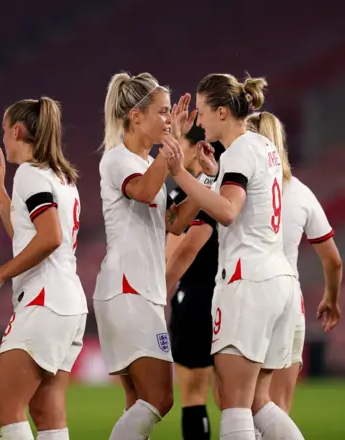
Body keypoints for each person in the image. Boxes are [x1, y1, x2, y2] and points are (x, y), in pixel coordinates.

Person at [165, 73, 304, 440]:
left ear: (223, 112)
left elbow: (228, 211)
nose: (198, 119)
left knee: (235, 402)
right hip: (279, 280)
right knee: (260, 403)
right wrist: (211, 175)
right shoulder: (262, 145)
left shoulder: (240, 150)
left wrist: (181, 172)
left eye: (203, 111)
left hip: (248, 282)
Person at [92, 72, 217, 440]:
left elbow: (175, 223)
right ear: (135, 117)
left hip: (138, 290)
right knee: (160, 398)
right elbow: (145, 190)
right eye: (162, 112)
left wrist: (206, 181)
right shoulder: (118, 160)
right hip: (127, 289)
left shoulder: (146, 163)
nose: (168, 119)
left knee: (138, 403)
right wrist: (173, 146)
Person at [0, 97, 87, 440]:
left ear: (18, 130)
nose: (3, 137)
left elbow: (48, 238)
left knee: (5, 409)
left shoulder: (30, 174)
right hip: (70, 303)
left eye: (5, 130)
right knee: (46, 412)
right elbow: (27, 235)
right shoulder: (63, 178)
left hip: (44, 301)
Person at [246, 111, 342, 414]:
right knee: (278, 407)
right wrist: (332, 300)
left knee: (238, 406)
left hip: (247, 298)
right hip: (289, 302)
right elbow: (333, 261)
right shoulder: (301, 193)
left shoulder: (236, 191)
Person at [165, 124, 225, 440]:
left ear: (197, 149)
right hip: (229, 294)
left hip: (195, 298)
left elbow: (178, 251)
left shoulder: (183, 197)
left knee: (193, 395)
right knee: (234, 399)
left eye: (183, 146)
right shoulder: (227, 191)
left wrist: (160, 289)